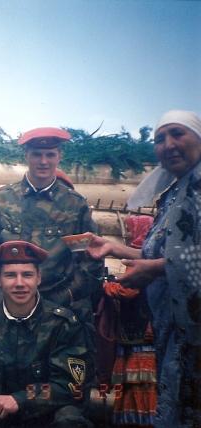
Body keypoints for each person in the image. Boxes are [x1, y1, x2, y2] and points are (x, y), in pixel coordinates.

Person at [86, 110, 201, 427]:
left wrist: (155, 269)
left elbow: (170, 262)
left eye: (178, 133)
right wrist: (115, 248)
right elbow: (167, 254)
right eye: (160, 139)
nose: (169, 144)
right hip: (175, 326)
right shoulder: (177, 192)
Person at [0, 127, 102, 349]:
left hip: (60, 307)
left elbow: (91, 262)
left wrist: (63, 297)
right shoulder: (2, 199)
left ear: (59, 156)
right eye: (37, 154)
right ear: (26, 155)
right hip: (9, 304)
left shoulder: (75, 204)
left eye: (50, 154)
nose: (44, 161)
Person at [0, 240, 93, 428]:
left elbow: (68, 386)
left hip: (42, 417)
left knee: (69, 418)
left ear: (39, 278)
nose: (20, 283)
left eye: (27, 275)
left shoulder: (63, 324)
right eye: (10, 275)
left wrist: (20, 399)